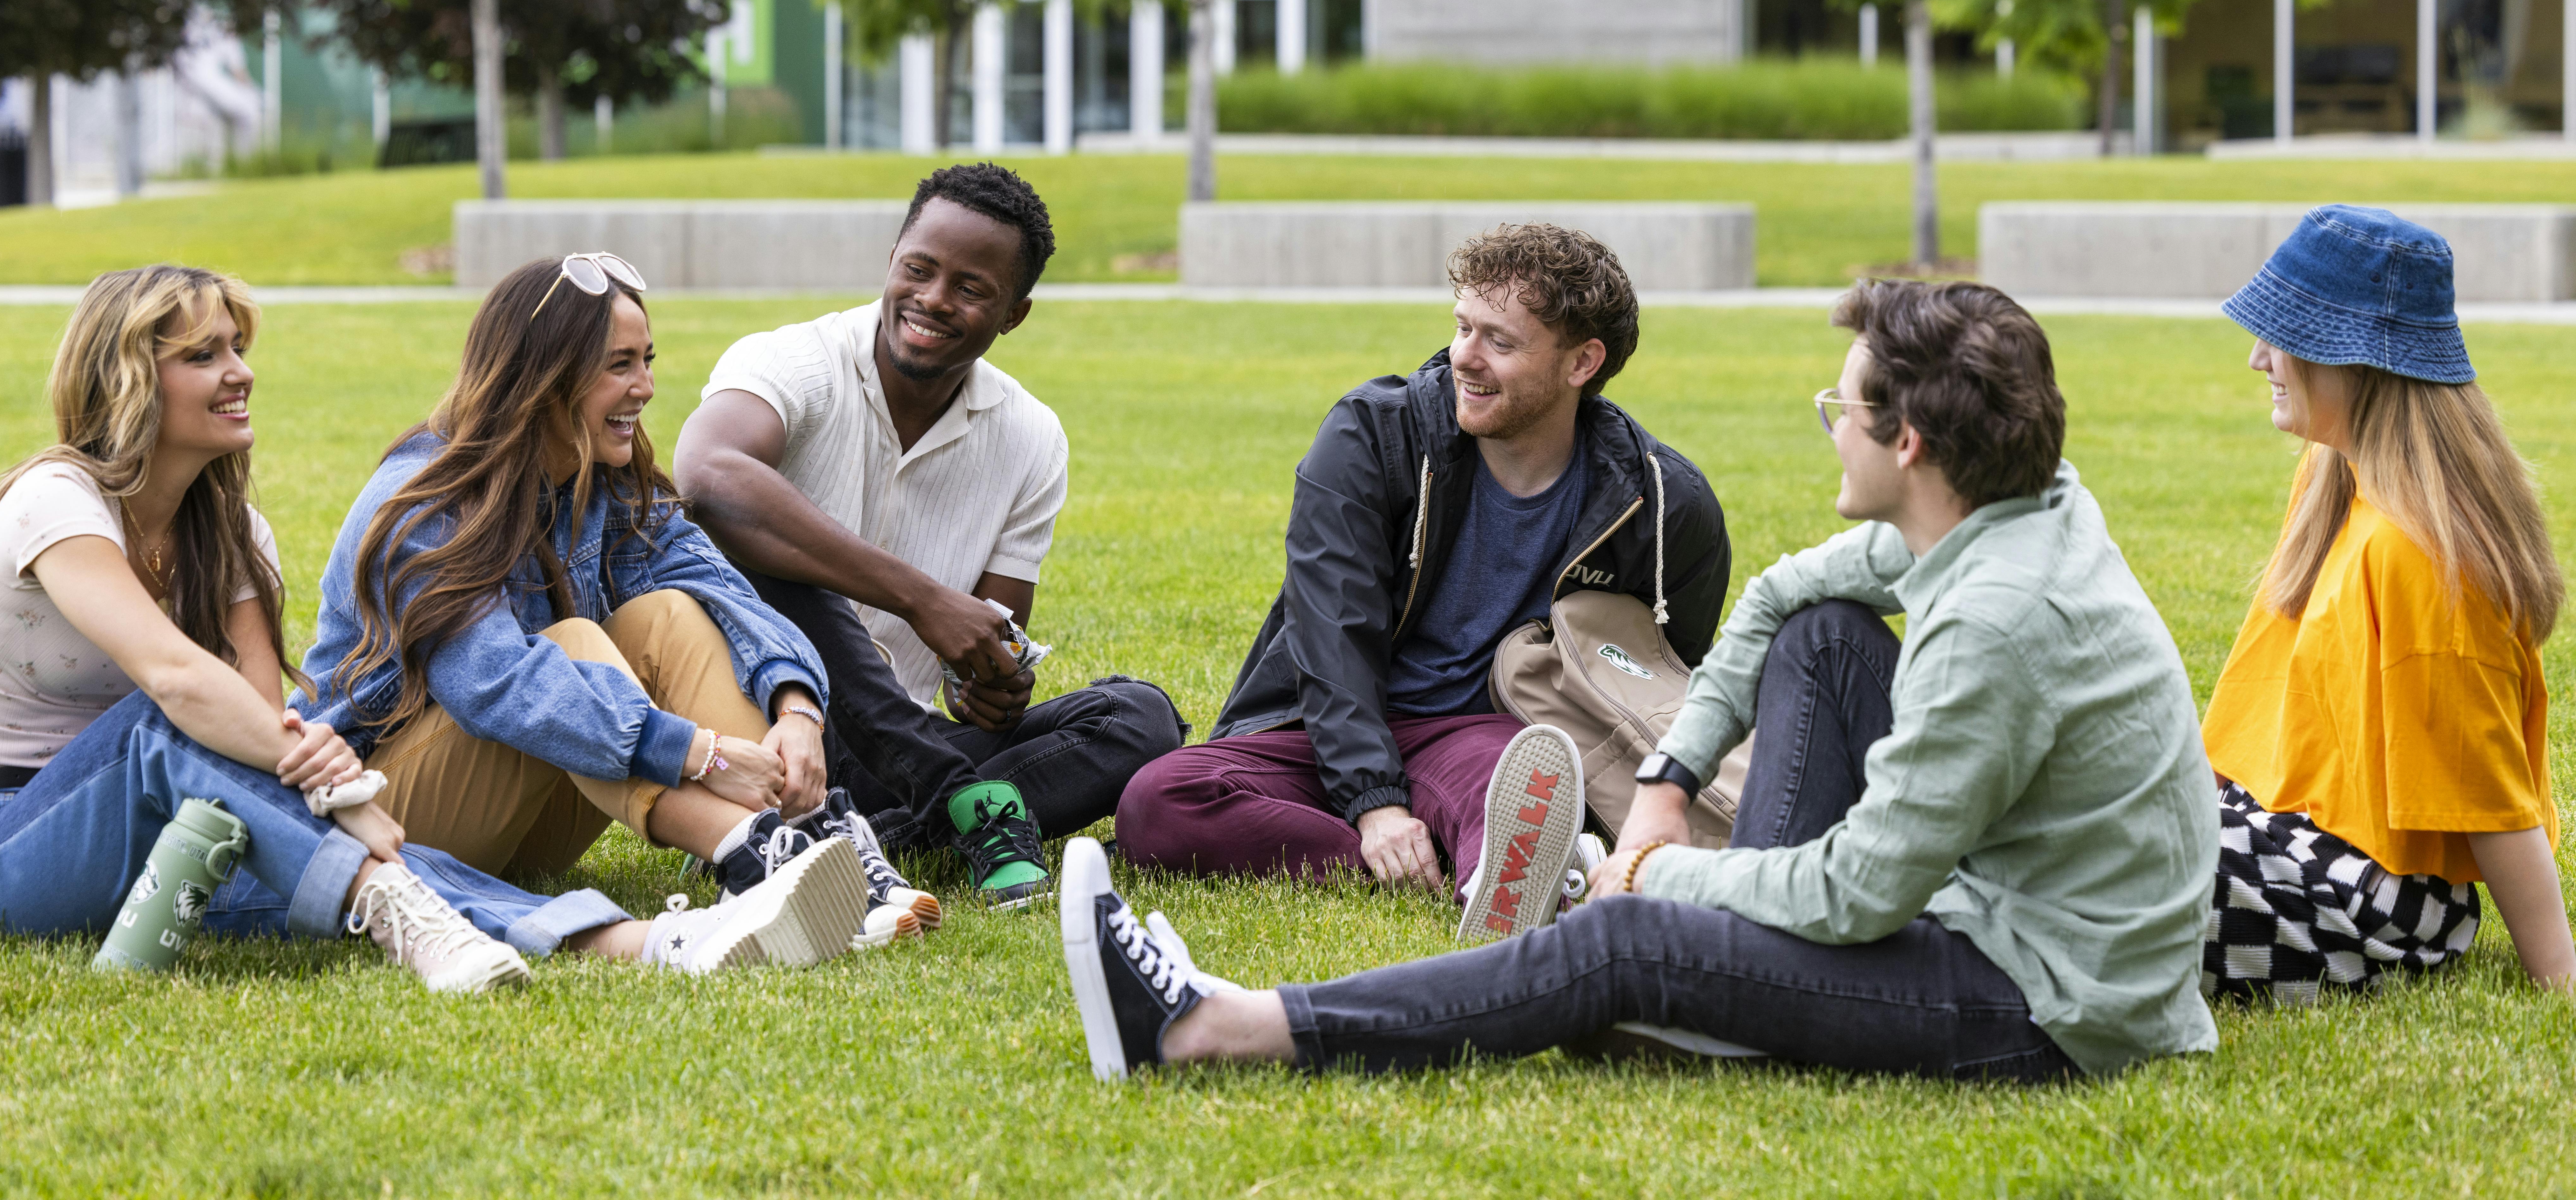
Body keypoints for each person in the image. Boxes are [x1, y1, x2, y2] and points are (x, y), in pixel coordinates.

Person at [1065, 280, 2220, 1082]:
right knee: (1820, 629)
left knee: (1622, 942)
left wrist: (1660, 877)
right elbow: (1772, 601)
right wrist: (1666, 781)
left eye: (1841, 410)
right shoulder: (2022, 500)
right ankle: (1723, 988)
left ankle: (1217, 1026)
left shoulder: (1995, 624)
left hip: (2044, 1004)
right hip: (1998, 924)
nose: (1832, 433)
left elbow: (1861, 895)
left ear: (1906, 440)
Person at [0, 265, 697, 989]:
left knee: (281, 807)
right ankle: (396, 907)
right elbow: (176, 678)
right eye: (204, 356)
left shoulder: (235, 535)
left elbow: (256, 731)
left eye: (238, 348)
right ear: (126, 378)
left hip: (170, 836)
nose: (241, 373)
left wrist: (319, 789)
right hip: (6, 838)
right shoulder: (56, 502)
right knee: (166, 724)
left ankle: (641, 940)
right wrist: (339, 790)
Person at [1114, 222, 1731, 944]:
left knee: (1519, 781)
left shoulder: (1660, 502)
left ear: (1581, 362)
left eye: (1499, 340)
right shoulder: (1372, 436)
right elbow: (1330, 633)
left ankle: (1505, 879)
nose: (1465, 355)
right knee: (1157, 801)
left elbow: (1664, 673)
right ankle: (1459, 864)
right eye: (1462, 325)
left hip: (1488, 734)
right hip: (1330, 723)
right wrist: (1375, 804)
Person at [298, 253, 904, 963]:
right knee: (573, 644)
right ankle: (755, 852)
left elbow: (726, 590)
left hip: (523, 830)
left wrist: (798, 707)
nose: (645, 386)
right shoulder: (426, 499)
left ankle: (807, 839)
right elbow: (498, 686)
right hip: (385, 824)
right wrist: (699, 754)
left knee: (673, 614)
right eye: (619, 364)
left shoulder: (604, 482)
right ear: (543, 375)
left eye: (646, 359)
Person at [677, 163, 1183, 908]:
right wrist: (920, 598)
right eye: (919, 269)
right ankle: (945, 807)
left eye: (972, 289)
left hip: (900, 749)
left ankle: (855, 838)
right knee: (775, 561)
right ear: (892, 261)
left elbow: (977, 658)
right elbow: (707, 473)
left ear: (1015, 313)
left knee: (1140, 718)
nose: (933, 300)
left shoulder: (1031, 435)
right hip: (773, 735)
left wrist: (986, 685)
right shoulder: (792, 360)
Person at [2198, 206, 2571, 1000]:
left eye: (2284, 336)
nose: (2257, 358)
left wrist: (2560, 970)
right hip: (2279, 831)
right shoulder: (2331, 477)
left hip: (2375, 903)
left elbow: (2488, 793)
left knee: (2080, 851)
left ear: (2359, 362)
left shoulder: (2422, 556)